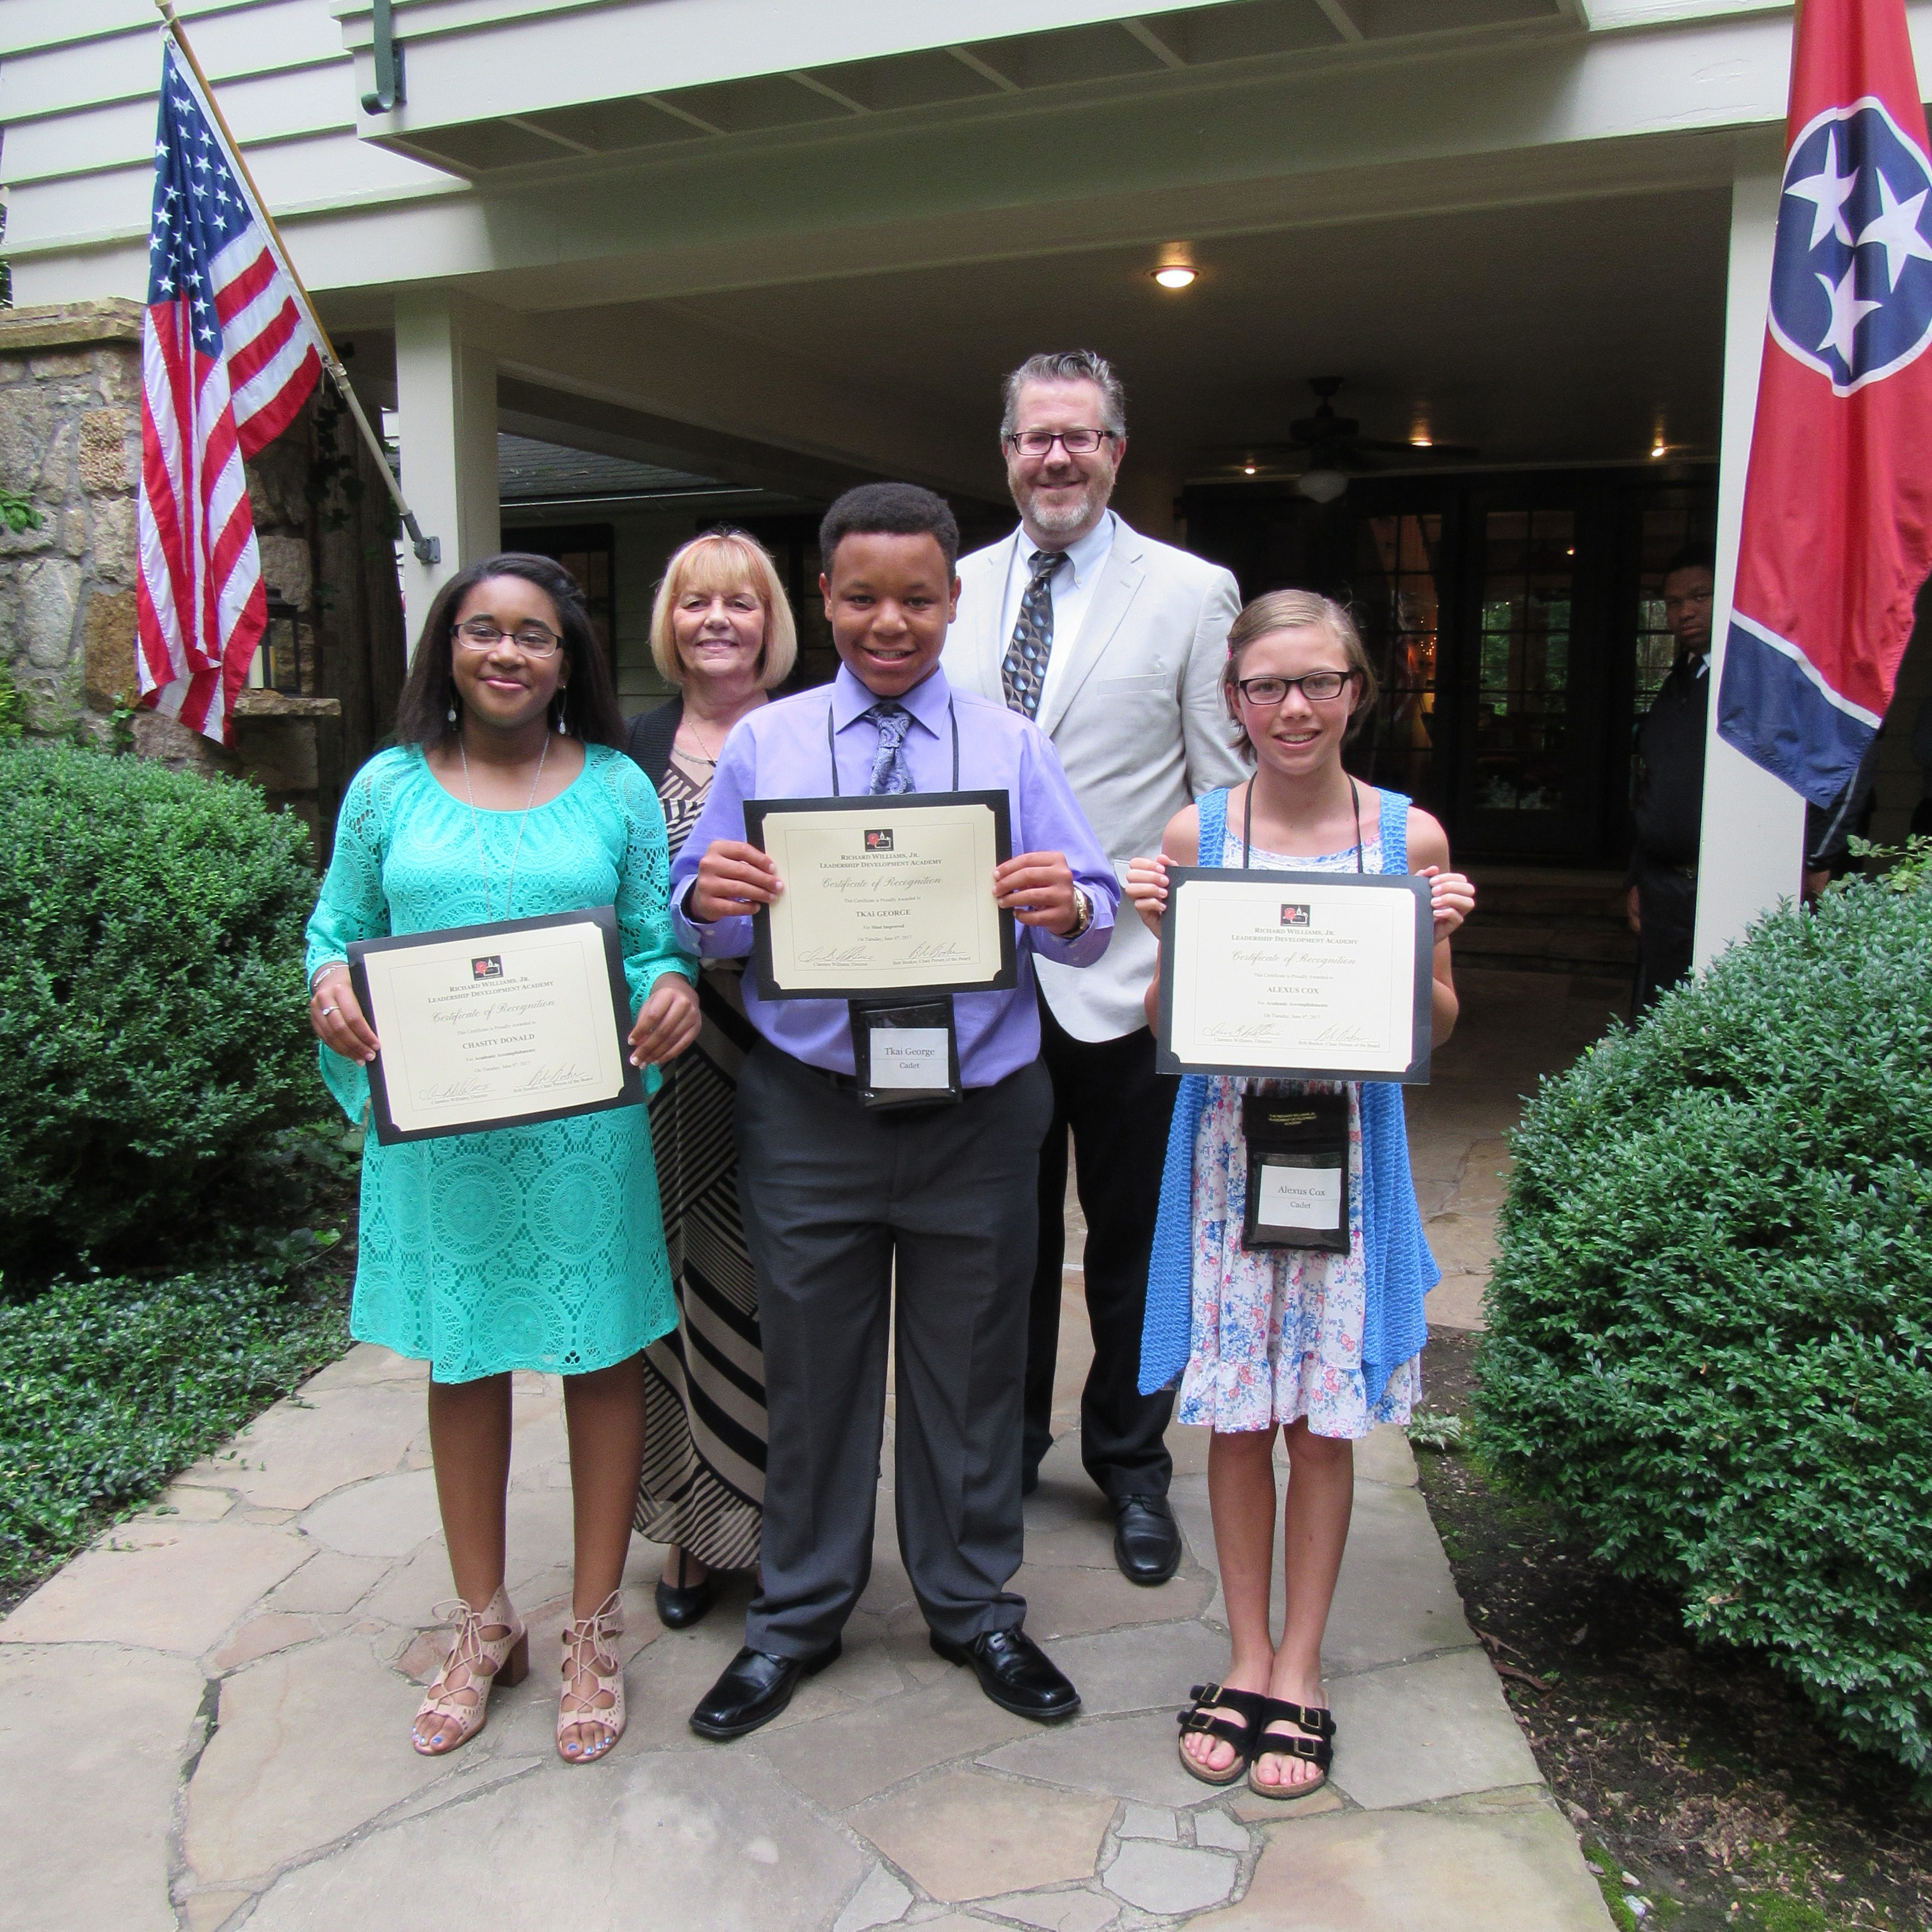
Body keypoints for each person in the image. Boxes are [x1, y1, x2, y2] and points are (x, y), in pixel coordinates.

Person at [672, 482, 1120, 1739]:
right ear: (823, 599)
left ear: (952, 602)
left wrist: (1066, 906)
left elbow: (1091, 919)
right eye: (863, 596)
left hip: (979, 1112)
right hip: (810, 1108)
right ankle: (797, 1617)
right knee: (813, 1375)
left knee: (972, 1373)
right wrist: (714, 894)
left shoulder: (1011, 745)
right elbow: (696, 917)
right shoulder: (766, 744)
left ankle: (973, 1606)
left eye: (917, 598)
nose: (890, 622)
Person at [305, 553, 700, 1767]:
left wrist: (673, 987)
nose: (509, 654)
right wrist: (328, 985)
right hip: (446, 1136)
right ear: (450, 647)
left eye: (535, 635)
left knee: (599, 1358)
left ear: (569, 656)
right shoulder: (385, 789)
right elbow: (336, 927)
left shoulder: (619, 789)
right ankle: (486, 1624)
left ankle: (590, 1625)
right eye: (485, 632)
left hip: (581, 1130)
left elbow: (651, 938)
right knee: (464, 1358)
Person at [1126, 590, 1474, 1798]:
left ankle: (1305, 1670)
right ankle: (1246, 1652)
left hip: (1347, 1162)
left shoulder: (1408, 841)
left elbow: (1428, 1032)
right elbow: (1169, 1028)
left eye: (1318, 681)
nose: (1293, 707)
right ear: (1233, 700)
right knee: (1235, 1418)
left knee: (1323, 1423)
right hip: (1228, 1159)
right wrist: (1163, 936)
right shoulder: (1195, 836)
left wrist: (1434, 939)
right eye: (1267, 685)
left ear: (1357, 693)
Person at [944, 349, 1246, 1586]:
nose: (1054, 459)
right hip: (977, 985)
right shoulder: (950, 591)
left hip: (1127, 978)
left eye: (1078, 438)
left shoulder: (1188, 590)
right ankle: (1005, 1451)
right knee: (996, 1240)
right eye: (1032, 439)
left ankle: (1130, 1463)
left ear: (1117, 450)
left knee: (1133, 1239)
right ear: (1005, 451)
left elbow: (1220, 785)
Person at [624, 531, 797, 1631]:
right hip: (662, 1066)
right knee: (672, 1292)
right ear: (670, 621)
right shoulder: (620, 749)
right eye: (697, 604)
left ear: (772, 620)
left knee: (782, 1293)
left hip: (788, 1054)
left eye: (741, 602)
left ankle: (787, 1524)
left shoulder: (809, 734)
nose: (719, 622)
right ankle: (693, 1524)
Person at [1626, 547, 1715, 1016]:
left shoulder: (1752, 682)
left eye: (1700, 596)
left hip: (1722, 883)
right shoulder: (1677, 685)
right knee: (1656, 1018)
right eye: (1673, 603)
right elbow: (1653, 790)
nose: (1685, 612)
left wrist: (1818, 857)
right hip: (1666, 887)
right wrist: (1639, 877)